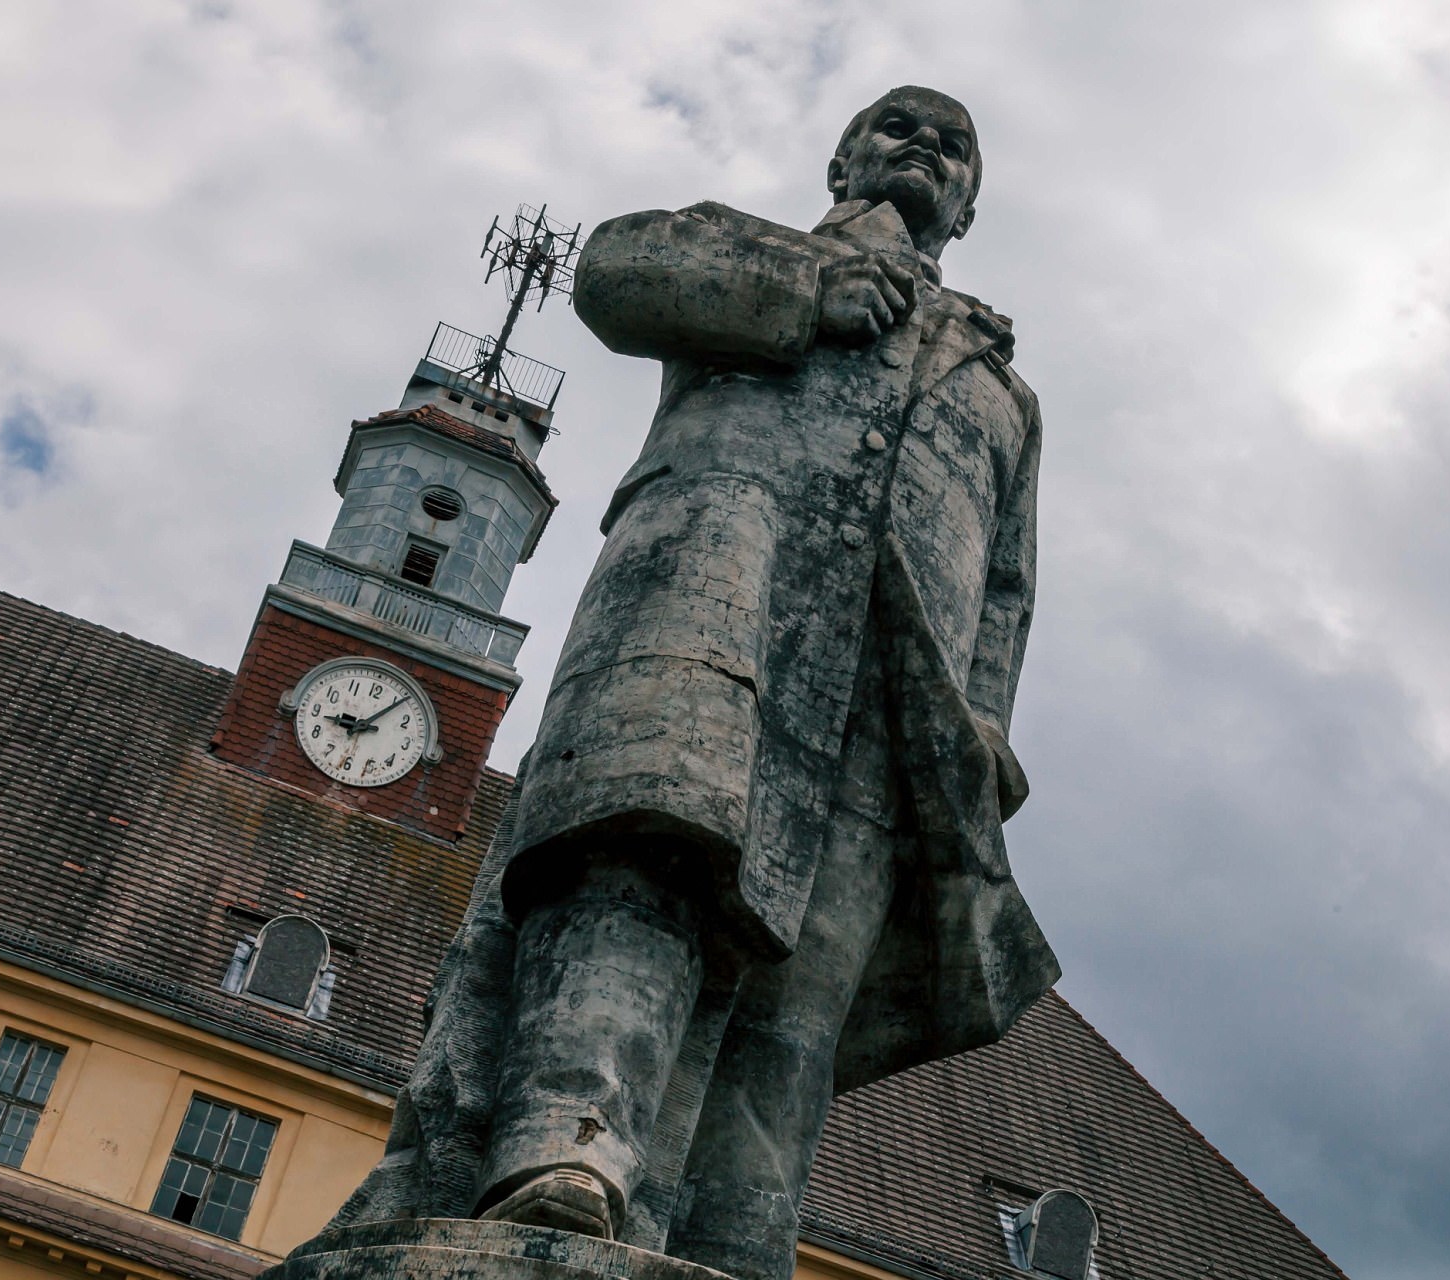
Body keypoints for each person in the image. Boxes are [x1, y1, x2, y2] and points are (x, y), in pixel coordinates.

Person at [334, 86, 1058, 1280]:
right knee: (642, 854)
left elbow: (1009, 589)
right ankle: (567, 1144)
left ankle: (737, 1237)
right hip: (709, 601)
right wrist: (804, 292)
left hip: (891, 707)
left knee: (801, 988)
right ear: (841, 156)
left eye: (954, 146)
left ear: (971, 203)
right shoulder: (742, 244)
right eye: (899, 127)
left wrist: (982, 725)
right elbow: (617, 272)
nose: (924, 148)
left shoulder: (1004, 390)